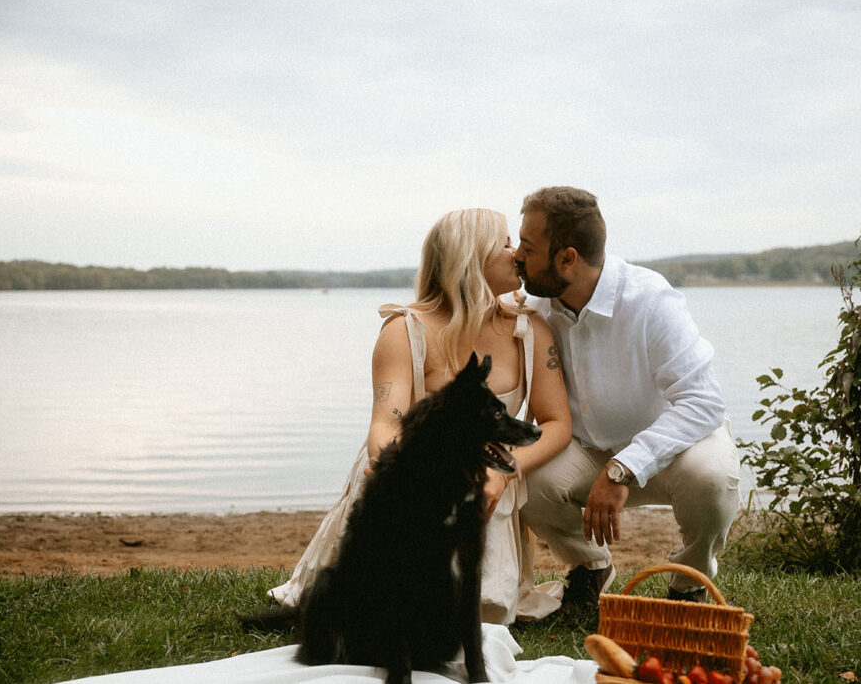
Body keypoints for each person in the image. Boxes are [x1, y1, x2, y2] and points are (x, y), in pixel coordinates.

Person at [268, 207, 572, 624]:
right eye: (504, 243)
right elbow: (385, 422)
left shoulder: (530, 331)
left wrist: (504, 472)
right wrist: (399, 465)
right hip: (411, 460)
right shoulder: (404, 330)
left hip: (489, 470)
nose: (517, 253)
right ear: (471, 256)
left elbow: (556, 424)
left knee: (474, 605)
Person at [513, 186, 741, 607]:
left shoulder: (651, 299)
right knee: (524, 480)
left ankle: (689, 583)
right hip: (586, 452)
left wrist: (625, 467)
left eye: (527, 247)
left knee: (712, 478)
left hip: (672, 454)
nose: (517, 257)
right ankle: (591, 566)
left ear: (567, 258)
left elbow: (703, 402)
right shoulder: (534, 306)